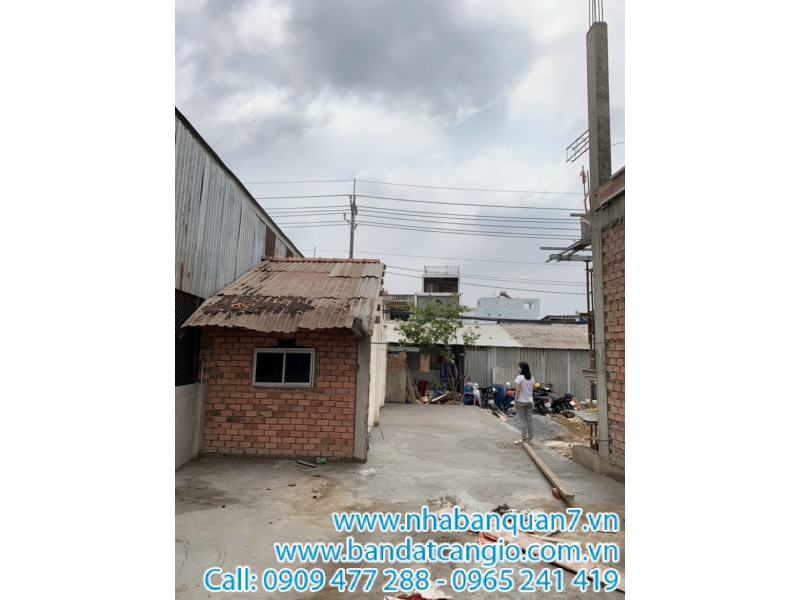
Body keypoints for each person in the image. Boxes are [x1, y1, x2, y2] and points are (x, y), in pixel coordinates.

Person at [513, 362, 536, 444]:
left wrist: (515, 401)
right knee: (529, 420)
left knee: (522, 420)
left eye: (519, 367)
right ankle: (530, 439)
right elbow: (531, 389)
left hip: (521, 401)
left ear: (521, 368)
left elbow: (518, 390)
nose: (518, 369)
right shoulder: (532, 378)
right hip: (530, 401)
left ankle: (523, 439)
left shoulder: (519, 378)